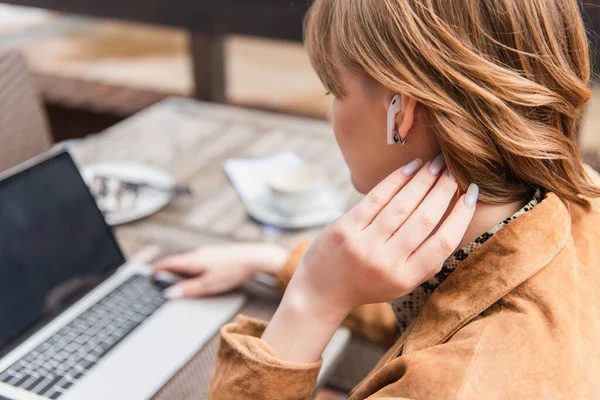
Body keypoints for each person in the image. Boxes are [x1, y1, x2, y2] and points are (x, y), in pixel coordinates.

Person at [153, 0, 600, 398]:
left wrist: (311, 301)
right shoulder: (578, 194)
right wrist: (276, 261)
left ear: (400, 114)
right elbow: (446, 308)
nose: (330, 114)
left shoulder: (452, 384)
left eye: (333, 92)